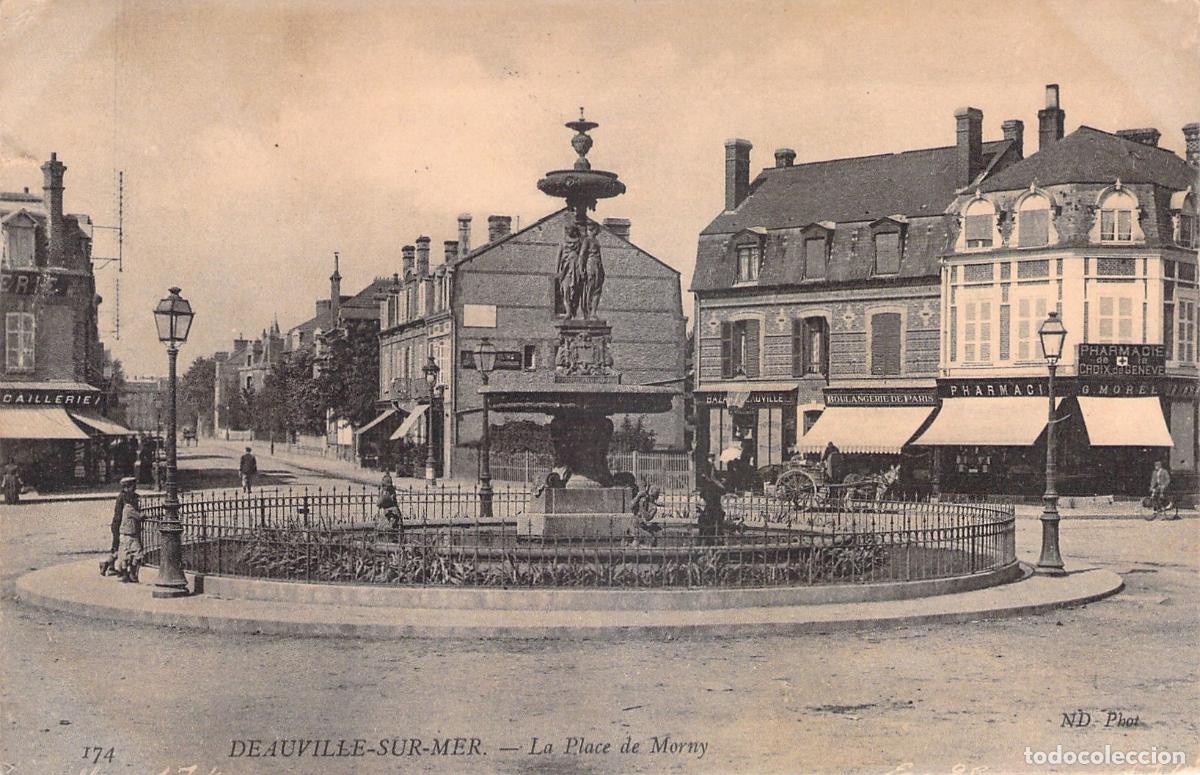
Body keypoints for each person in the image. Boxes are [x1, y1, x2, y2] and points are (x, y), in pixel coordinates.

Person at [101, 477, 139, 576]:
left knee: (117, 547)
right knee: (120, 548)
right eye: (132, 486)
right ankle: (107, 564)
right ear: (127, 487)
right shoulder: (124, 497)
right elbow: (124, 513)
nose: (134, 488)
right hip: (120, 525)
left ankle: (110, 566)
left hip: (118, 525)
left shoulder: (124, 496)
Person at [697, 454, 726, 543]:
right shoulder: (708, 466)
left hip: (710, 488)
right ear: (710, 458)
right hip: (709, 487)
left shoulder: (711, 466)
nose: (713, 459)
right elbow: (712, 477)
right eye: (712, 458)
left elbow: (713, 477)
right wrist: (720, 484)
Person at [113, 501, 144, 583]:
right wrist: (144, 514)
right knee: (138, 554)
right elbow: (139, 516)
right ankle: (131, 573)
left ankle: (125, 574)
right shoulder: (129, 509)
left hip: (125, 535)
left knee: (125, 555)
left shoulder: (126, 508)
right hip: (130, 535)